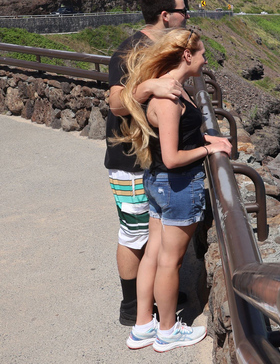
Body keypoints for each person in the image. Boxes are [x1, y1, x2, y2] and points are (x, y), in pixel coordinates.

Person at [113, 28, 232, 351]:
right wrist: (208, 151)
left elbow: (181, 134)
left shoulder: (171, 88)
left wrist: (208, 139)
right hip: (177, 185)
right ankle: (167, 330)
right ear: (187, 55)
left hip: (157, 182)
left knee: (153, 253)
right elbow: (172, 156)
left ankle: (142, 325)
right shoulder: (168, 97)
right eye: (203, 54)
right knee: (169, 261)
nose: (206, 60)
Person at [104, 0, 189, 326]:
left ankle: (154, 292)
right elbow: (115, 102)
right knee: (134, 234)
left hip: (150, 159)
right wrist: (150, 86)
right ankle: (130, 307)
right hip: (130, 161)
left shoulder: (161, 48)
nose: (188, 18)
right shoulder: (130, 50)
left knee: (150, 233)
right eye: (184, 12)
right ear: (166, 15)